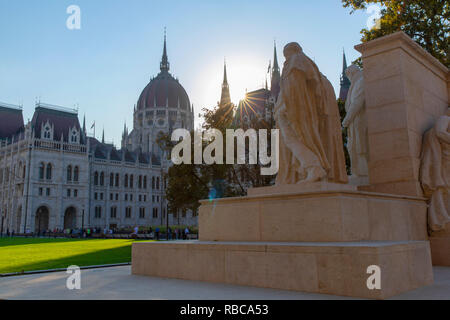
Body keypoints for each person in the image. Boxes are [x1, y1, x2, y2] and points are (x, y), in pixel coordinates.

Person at [275, 42, 348, 185]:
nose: (285, 58)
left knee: (295, 139)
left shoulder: (296, 61)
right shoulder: (316, 71)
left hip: (293, 112)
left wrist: (283, 108)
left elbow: (293, 90)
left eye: (286, 54)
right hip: (299, 111)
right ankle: (311, 168)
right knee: (298, 139)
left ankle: (313, 168)